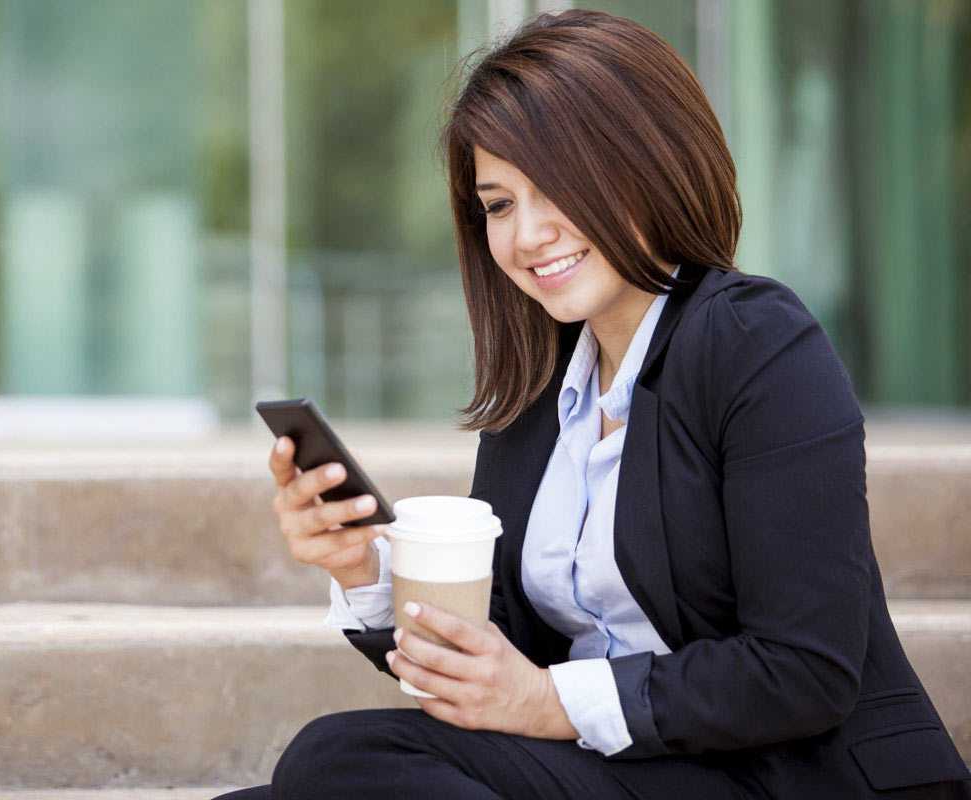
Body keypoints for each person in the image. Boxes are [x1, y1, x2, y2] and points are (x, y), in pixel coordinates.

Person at [217, 8, 970, 799]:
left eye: (559, 188)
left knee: (335, 758)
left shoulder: (755, 342)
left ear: (650, 164)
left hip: (786, 776)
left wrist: (546, 702)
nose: (528, 233)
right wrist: (366, 565)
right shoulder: (543, 388)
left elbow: (804, 670)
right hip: (629, 772)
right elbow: (499, 648)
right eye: (499, 204)